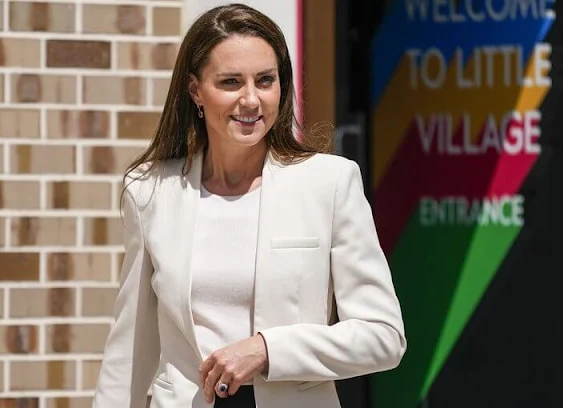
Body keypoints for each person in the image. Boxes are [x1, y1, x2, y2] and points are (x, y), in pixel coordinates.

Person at [93, 3, 406, 408]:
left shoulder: (329, 183)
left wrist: (268, 350)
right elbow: (130, 350)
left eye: (265, 80)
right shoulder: (151, 191)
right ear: (195, 90)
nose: (251, 100)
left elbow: (383, 336)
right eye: (230, 82)